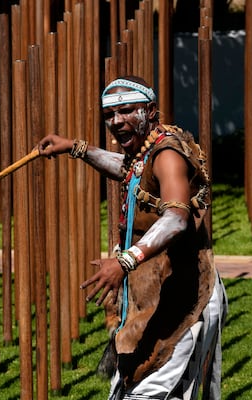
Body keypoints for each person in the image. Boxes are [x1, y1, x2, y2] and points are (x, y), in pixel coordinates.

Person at [37, 76, 227, 400]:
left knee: (148, 391)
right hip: (158, 296)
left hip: (184, 297)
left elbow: (177, 218)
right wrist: (76, 148)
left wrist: (124, 262)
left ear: (150, 111)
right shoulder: (147, 150)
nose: (116, 121)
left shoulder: (167, 154)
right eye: (109, 115)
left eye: (126, 111)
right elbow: (130, 170)